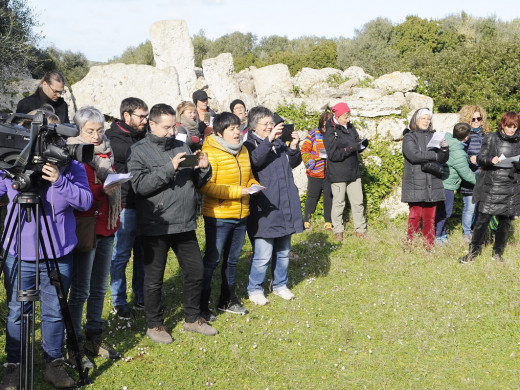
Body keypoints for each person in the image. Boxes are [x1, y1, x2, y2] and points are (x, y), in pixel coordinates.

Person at [0, 139, 93, 388]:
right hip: (21, 253)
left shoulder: (71, 166)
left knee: (54, 312)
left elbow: (85, 201)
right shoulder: (14, 161)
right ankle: (14, 366)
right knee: (19, 312)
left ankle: (54, 364)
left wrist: (60, 181)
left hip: (57, 253)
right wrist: (10, 171)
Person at [127, 103, 217, 344]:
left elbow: (195, 182)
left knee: (195, 271)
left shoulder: (182, 145)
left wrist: (203, 169)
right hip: (157, 224)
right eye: (165, 128)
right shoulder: (139, 151)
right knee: (154, 278)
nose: (170, 132)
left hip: (185, 222)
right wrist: (169, 167)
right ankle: (155, 325)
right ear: (152, 125)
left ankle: (192, 318)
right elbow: (140, 187)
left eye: (172, 127)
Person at [66, 106, 122, 369]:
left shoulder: (107, 153)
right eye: (90, 131)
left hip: (106, 227)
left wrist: (115, 193)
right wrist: (105, 189)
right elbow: (78, 196)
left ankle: (93, 338)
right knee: (81, 290)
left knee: (99, 288)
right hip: (84, 227)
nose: (96, 136)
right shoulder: (73, 154)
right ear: (78, 130)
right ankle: (74, 345)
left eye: (100, 130)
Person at [199, 112, 260, 318]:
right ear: (219, 132)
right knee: (212, 261)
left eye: (238, 128)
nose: (237, 132)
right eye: (231, 129)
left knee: (232, 260)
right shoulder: (210, 152)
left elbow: (248, 176)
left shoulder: (242, 150)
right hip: (219, 216)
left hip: (241, 214)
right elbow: (206, 187)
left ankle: (227, 300)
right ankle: (201, 306)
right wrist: (237, 192)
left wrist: (253, 186)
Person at [244, 106, 304, 305]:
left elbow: (292, 163)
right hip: (265, 206)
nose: (271, 127)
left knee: (284, 250)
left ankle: (280, 284)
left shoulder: (278, 143)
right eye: (266, 124)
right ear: (254, 126)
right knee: (263, 253)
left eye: (272, 123)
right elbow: (255, 162)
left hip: (285, 203)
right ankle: (255, 288)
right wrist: (269, 141)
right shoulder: (249, 144)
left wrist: (294, 146)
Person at [106, 97, 148, 320]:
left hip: (144, 203)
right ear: (126, 116)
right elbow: (136, 155)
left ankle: (141, 296)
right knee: (121, 254)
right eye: (141, 116)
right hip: (125, 204)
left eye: (146, 116)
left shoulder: (142, 134)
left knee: (142, 253)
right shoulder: (114, 139)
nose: (145, 120)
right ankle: (119, 301)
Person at [459, 112, 520, 263]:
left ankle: (497, 254)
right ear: (502, 124)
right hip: (491, 186)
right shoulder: (491, 137)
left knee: (505, 223)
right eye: (508, 126)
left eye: (514, 126)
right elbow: (480, 158)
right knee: (482, 220)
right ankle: (473, 253)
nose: (511, 130)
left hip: (510, 187)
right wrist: (491, 160)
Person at [401, 108, 449, 249]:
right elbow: (413, 155)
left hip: (432, 179)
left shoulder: (435, 136)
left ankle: (428, 245)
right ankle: (411, 244)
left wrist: (445, 149)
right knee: (415, 215)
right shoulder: (410, 137)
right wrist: (434, 156)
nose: (426, 122)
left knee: (430, 216)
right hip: (416, 180)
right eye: (424, 118)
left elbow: (443, 158)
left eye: (428, 119)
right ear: (416, 120)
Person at [323, 102, 367, 241]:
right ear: (337, 116)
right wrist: (351, 148)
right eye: (345, 117)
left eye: (349, 117)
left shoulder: (351, 127)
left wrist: (361, 145)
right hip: (337, 173)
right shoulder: (330, 131)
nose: (348, 120)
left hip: (353, 171)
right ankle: (338, 231)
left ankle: (360, 230)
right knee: (339, 203)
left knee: (358, 202)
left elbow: (355, 143)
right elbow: (333, 155)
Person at [434, 123, 476, 243]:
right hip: (447, 185)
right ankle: (438, 236)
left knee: (440, 210)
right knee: (445, 212)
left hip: (439, 182)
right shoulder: (459, 152)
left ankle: (441, 233)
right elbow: (466, 174)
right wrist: (480, 181)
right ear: (467, 137)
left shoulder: (447, 141)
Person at [458, 104, 491, 240]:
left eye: (479, 118)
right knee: (470, 208)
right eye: (473, 119)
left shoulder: (487, 136)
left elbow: (493, 155)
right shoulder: (463, 136)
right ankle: (467, 233)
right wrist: (469, 159)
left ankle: (476, 232)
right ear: (467, 120)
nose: (477, 121)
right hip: (470, 176)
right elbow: (458, 157)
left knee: (480, 208)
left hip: (484, 175)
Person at [301, 111, 333, 231]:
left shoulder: (335, 135)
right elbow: (304, 150)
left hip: (330, 172)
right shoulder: (313, 134)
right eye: (323, 126)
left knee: (329, 197)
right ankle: (307, 221)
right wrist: (311, 164)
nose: (325, 128)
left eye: (328, 126)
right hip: (315, 172)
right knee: (312, 196)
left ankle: (328, 222)